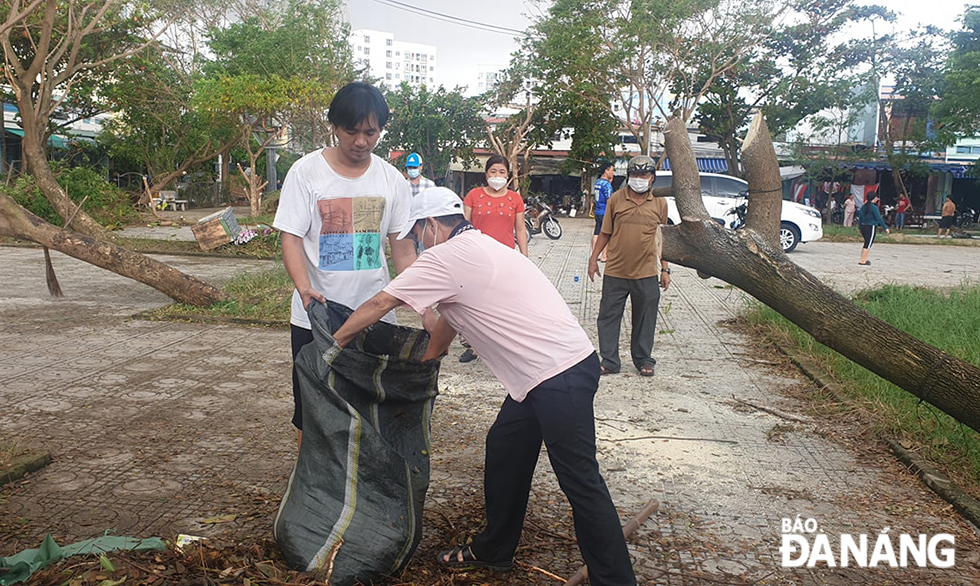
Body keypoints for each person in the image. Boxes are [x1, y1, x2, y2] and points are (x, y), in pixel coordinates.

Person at [331, 187, 637, 586]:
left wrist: (332, 344)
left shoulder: (446, 256)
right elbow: (448, 325)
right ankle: (495, 550)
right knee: (506, 447)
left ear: (432, 226)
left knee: (581, 481)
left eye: (417, 234)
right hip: (544, 377)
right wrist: (424, 366)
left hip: (558, 376)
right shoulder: (479, 248)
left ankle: (616, 580)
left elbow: (379, 305)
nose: (417, 243)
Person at [273, 81, 417, 446]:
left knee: (371, 411)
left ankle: (365, 491)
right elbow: (290, 236)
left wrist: (423, 302)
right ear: (334, 126)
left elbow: (401, 246)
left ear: (381, 130)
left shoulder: (391, 181)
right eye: (351, 131)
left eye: (371, 132)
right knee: (315, 412)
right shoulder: (307, 173)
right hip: (316, 317)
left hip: (375, 318)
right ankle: (317, 488)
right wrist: (304, 289)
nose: (360, 141)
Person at [588, 155, 670, 377]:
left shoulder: (660, 204)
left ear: (652, 178)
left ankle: (644, 359)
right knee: (608, 316)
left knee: (645, 317)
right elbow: (605, 232)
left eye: (644, 175)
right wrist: (593, 259)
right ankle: (610, 361)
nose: (639, 179)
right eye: (635, 175)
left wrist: (665, 269)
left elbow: (664, 240)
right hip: (616, 270)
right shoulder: (616, 200)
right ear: (628, 177)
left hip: (647, 271)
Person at [460, 155, 528, 363]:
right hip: (477, 257)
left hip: (505, 258)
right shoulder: (473, 195)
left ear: (508, 176)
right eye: (493, 171)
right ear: (486, 174)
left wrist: (524, 258)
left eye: (502, 172)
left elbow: (520, 228)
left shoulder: (515, 199)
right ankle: (473, 345)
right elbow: (464, 224)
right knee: (475, 302)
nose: (497, 176)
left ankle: (499, 345)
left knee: (502, 303)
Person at [858, 194, 889, 265]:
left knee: (866, 243)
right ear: (874, 198)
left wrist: (859, 227)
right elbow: (879, 218)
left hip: (863, 226)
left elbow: (860, 218)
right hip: (871, 226)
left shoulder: (863, 206)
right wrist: (885, 227)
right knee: (868, 244)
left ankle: (864, 259)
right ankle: (862, 260)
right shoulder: (874, 208)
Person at [593, 162, 614, 262]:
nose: (613, 173)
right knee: (605, 234)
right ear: (606, 170)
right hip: (605, 211)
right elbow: (609, 199)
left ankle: (595, 254)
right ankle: (604, 256)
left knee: (597, 232)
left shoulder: (597, 182)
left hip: (597, 211)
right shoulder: (607, 185)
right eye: (611, 170)